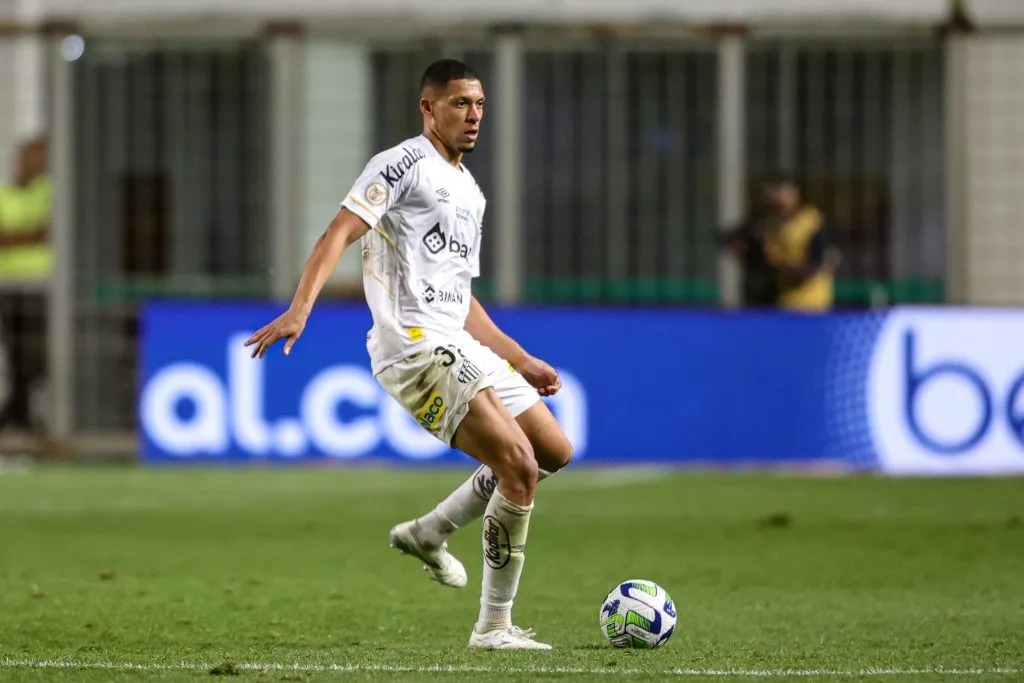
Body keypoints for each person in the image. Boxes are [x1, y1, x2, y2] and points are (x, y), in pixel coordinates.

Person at [244, 59, 573, 650]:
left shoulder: (471, 191)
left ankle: (429, 532)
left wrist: (519, 358)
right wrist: (300, 308)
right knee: (519, 468)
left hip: (457, 338)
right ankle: (493, 627)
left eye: (479, 104)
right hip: (415, 346)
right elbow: (337, 233)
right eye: (459, 103)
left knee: (553, 451)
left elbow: (461, 298)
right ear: (428, 107)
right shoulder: (402, 164)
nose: (473, 116)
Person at [0, 137, 52, 436]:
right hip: (8, 286)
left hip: (41, 287)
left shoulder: (50, 192)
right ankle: (21, 416)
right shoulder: (5, 193)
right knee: (16, 355)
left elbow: (50, 231)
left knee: (36, 356)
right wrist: (29, 235)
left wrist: (14, 236)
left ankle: (18, 415)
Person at [758, 174, 840, 313]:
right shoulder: (771, 225)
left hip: (811, 304)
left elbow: (819, 263)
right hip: (783, 302)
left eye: (780, 193)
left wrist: (786, 267)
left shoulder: (812, 222)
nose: (775, 199)